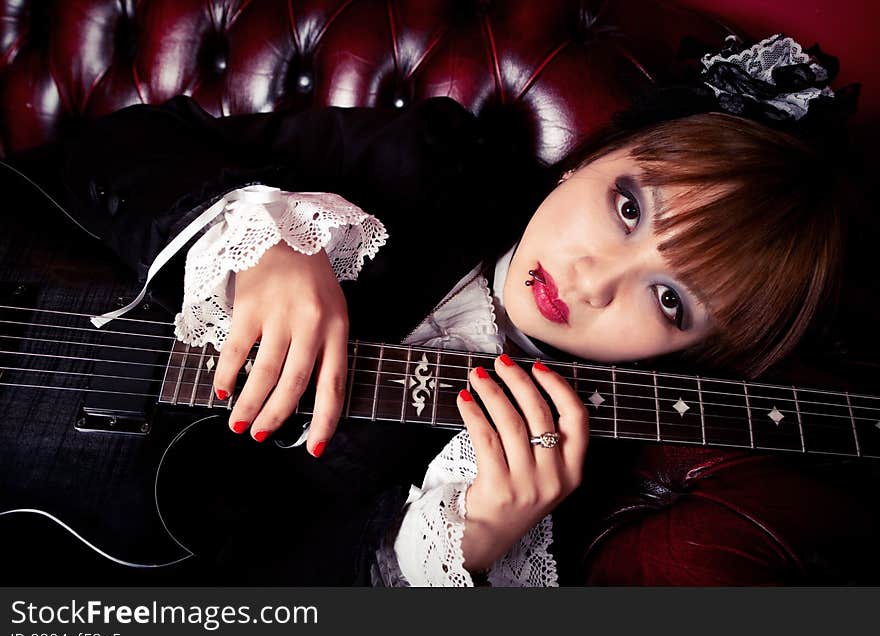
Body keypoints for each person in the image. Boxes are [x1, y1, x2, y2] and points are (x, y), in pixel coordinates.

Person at [3, 33, 862, 585]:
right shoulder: (434, 161)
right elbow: (122, 148)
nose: (596, 279)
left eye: (670, 301)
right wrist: (266, 245)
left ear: (689, 352)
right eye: (628, 206)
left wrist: (457, 547)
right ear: (587, 162)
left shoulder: (560, 476)